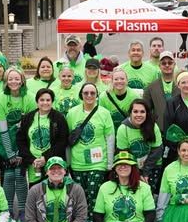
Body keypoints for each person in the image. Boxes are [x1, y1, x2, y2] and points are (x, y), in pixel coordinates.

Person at [21, 156, 91, 222]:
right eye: (52, 168)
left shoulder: (76, 189)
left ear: (65, 171)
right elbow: (29, 219)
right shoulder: (35, 190)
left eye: (59, 168)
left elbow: (81, 217)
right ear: (46, 172)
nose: (56, 171)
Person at [90, 152, 157, 222]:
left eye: (127, 164)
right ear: (115, 168)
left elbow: (150, 212)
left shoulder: (144, 188)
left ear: (133, 168)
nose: (123, 166)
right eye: (119, 164)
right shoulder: (105, 187)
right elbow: (98, 213)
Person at [66, 82, 115, 211]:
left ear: (97, 95)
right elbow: (69, 141)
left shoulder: (104, 113)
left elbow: (110, 139)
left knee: (94, 196)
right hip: (78, 163)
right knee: (79, 199)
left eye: (92, 93)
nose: (89, 95)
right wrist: (68, 163)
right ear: (81, 95)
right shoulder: (72, 113)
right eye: (86, 93)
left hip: (98, 163)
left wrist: (109, 164)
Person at [0, 66, 36, 220]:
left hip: (23, 141)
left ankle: (23, 211)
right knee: (8, 176)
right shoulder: (0, 98)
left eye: (16, 78)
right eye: (10, 79)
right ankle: (8, 210)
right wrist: (11, 153)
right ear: (6, 81)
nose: (13, 81)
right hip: (6, 142)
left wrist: (21, 153)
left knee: (20, 175)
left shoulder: (30, 98)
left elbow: (29, 128)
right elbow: (3, 129)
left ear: (22, 81)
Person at [18, 88, 70, 185]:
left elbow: (62, 142)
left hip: (54, 165)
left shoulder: (59, 118)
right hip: (34, 165)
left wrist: (45, 158)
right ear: (37, 102)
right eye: (42, 100)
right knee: (37, 196)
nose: (45, 103)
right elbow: (21, 141)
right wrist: (32, 160)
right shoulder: (28, 118)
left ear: (52, 101)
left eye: (48, 100)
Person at [115, 99, 163, 195]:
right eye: (135, 111)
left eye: (142, 112)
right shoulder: (123, 129)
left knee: (148, 193)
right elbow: (124, 154)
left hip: (152, 166)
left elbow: (157, 150)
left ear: (147, 113)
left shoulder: (153, 126)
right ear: (130, 113)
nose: (139, 115)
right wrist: (137, 173)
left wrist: (145, 172)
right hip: (131, 167)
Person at [142, 51, 179, 135]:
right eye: (163, 63)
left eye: (170, 63)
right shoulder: (151, 87)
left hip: (179, 131)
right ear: (159, 66)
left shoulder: (182, 85)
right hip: (159, 131)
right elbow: (146, 110)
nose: (167, 65)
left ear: (174, 64)